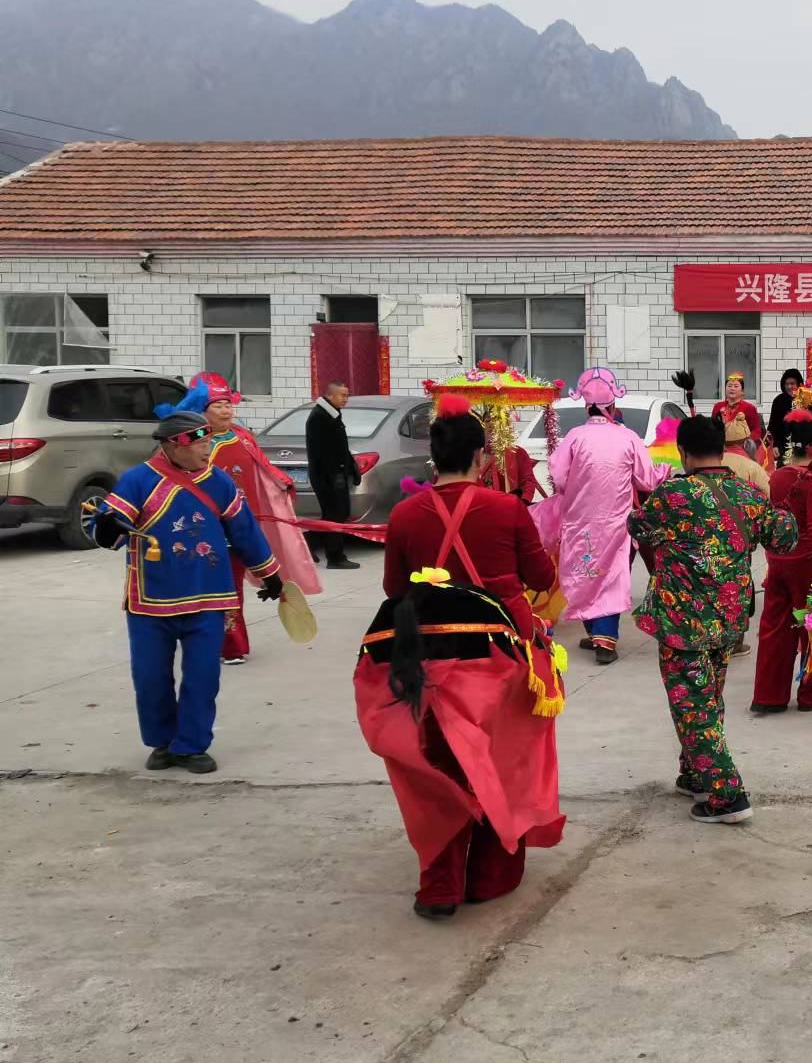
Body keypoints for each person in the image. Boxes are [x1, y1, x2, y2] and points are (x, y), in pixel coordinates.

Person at [360, 395, 564, 919]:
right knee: (503, 760)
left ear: (435, 457)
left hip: (426, 653)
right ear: (481, 456)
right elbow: (542, 578)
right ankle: (492, 875)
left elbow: (394, 588)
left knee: (440, 763)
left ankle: (440, 885)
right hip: (501, 651)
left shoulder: (406, 513)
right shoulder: (506, 508)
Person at [88, 408, 283, 774]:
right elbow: (108, 529)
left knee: (203, 676)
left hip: (209, 596)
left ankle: (191, 746)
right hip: (151, 599)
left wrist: (269, 573)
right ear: (174, 445)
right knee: (150, 677)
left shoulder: (218, 481)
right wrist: (107, 527)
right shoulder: (138, 480)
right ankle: (162, 742)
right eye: (202, 443)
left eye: (209, 441)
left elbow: (243, 530)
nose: (209, 449)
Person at [629, 415, 798, 825]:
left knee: (693, 704)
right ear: (722, 449)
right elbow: (784, 537)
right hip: (729, 617)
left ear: (682, 452)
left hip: (683, 621)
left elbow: (638, 526)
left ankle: (727, 795)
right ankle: (695, 773)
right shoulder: (746, 493)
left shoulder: (673, 494)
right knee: (707, 697)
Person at [532, 368, 671, 666]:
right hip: (616, 523)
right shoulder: (628, 437)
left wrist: (578, 488)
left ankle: (599, 634)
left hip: (580, 521)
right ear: (613, 405)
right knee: (610, 576)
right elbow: (647, 479)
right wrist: (665, 471)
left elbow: (558, 477)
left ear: (587, 407)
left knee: (584, 573)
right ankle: (603, 639)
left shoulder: (575, 437)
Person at [199, 371, 322, 665]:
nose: (226, 410)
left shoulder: (242, 437)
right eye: (218, 405)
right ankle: (212, 640)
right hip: (207, 527)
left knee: (231, 587)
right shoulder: (198, 443)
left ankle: (231, 646)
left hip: (244, 524)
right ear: (202, 410)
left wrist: (282, 483)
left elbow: (264, 468)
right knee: (208, 587)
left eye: (228, 404)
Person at [751, 411, 812, 714]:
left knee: (775, 628)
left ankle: (768, 696)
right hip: (809, 564)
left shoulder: (777, 477)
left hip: (778, 561)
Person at [305, 381, 362, 569]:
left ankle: (306, 544)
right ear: (329, 395)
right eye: (342, 395)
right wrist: (335, 476)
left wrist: (351, 466)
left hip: (336, 473)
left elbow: (340, 446)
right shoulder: (320, 417)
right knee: (335, 515)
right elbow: (322, 452)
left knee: (337, 514)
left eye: (347, 395)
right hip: (326, 476)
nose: (346, 399)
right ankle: (335, 557)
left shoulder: (332, 414)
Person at [710, 373, 763, 458]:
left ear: (742, 391)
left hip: (741, 450)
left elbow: (756, 430)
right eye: (729, 386)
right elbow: (712, 428)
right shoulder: (718, 406)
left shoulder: (749, 408)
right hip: (721, 449)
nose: (732, 388)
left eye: (736, 386)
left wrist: (746, 443)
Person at [766, 369, 805, 452]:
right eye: (786, 384)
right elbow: (773, 425)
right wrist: (774, 445)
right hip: (782, 445)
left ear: (799, 384)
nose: (789, 387)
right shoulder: (778, 400)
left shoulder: (806, 399)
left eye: (792, 383)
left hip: (804, 445)